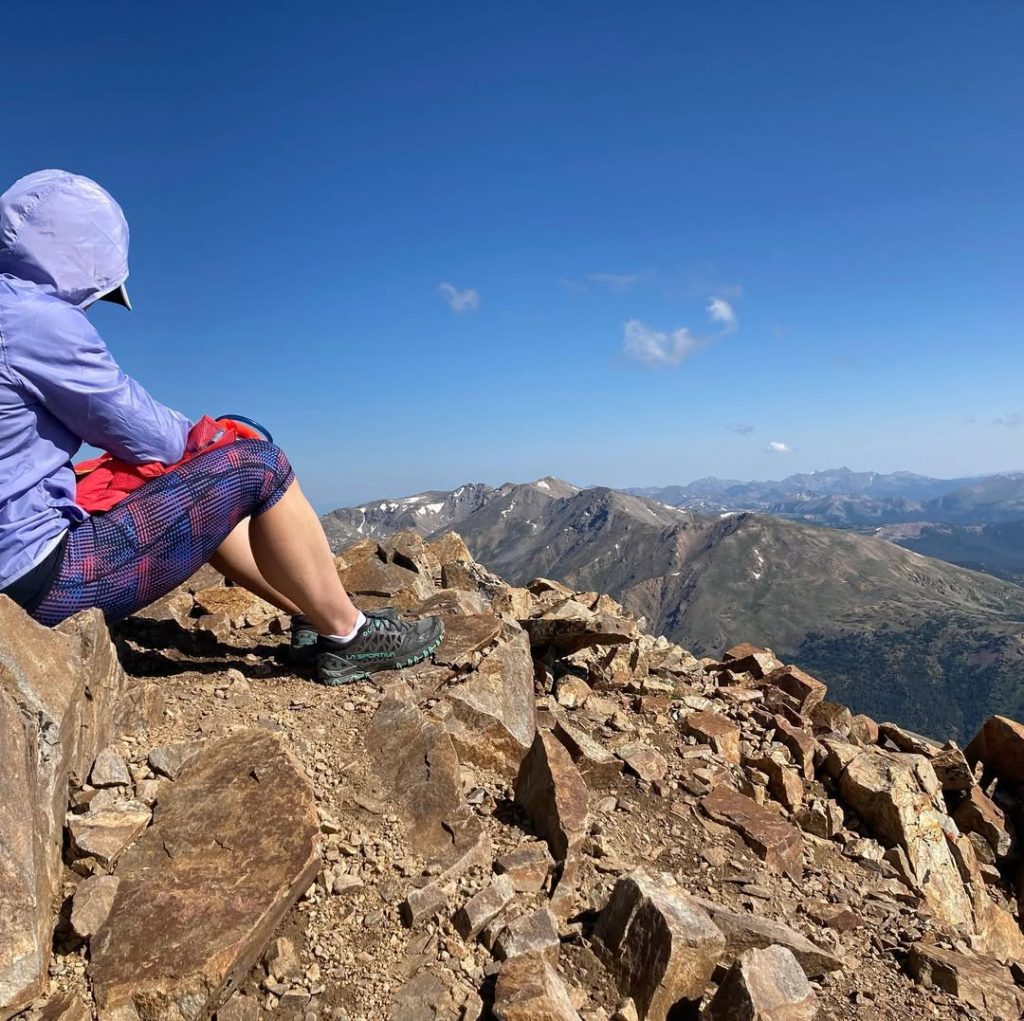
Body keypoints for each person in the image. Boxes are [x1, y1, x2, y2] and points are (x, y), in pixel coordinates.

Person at [0, 169, 443, 685]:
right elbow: (148, 433)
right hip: (37, 581)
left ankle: (313, 616)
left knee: (186, 488)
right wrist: (214, 436)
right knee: (259, 467)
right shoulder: (36, 322)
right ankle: (349, 636)